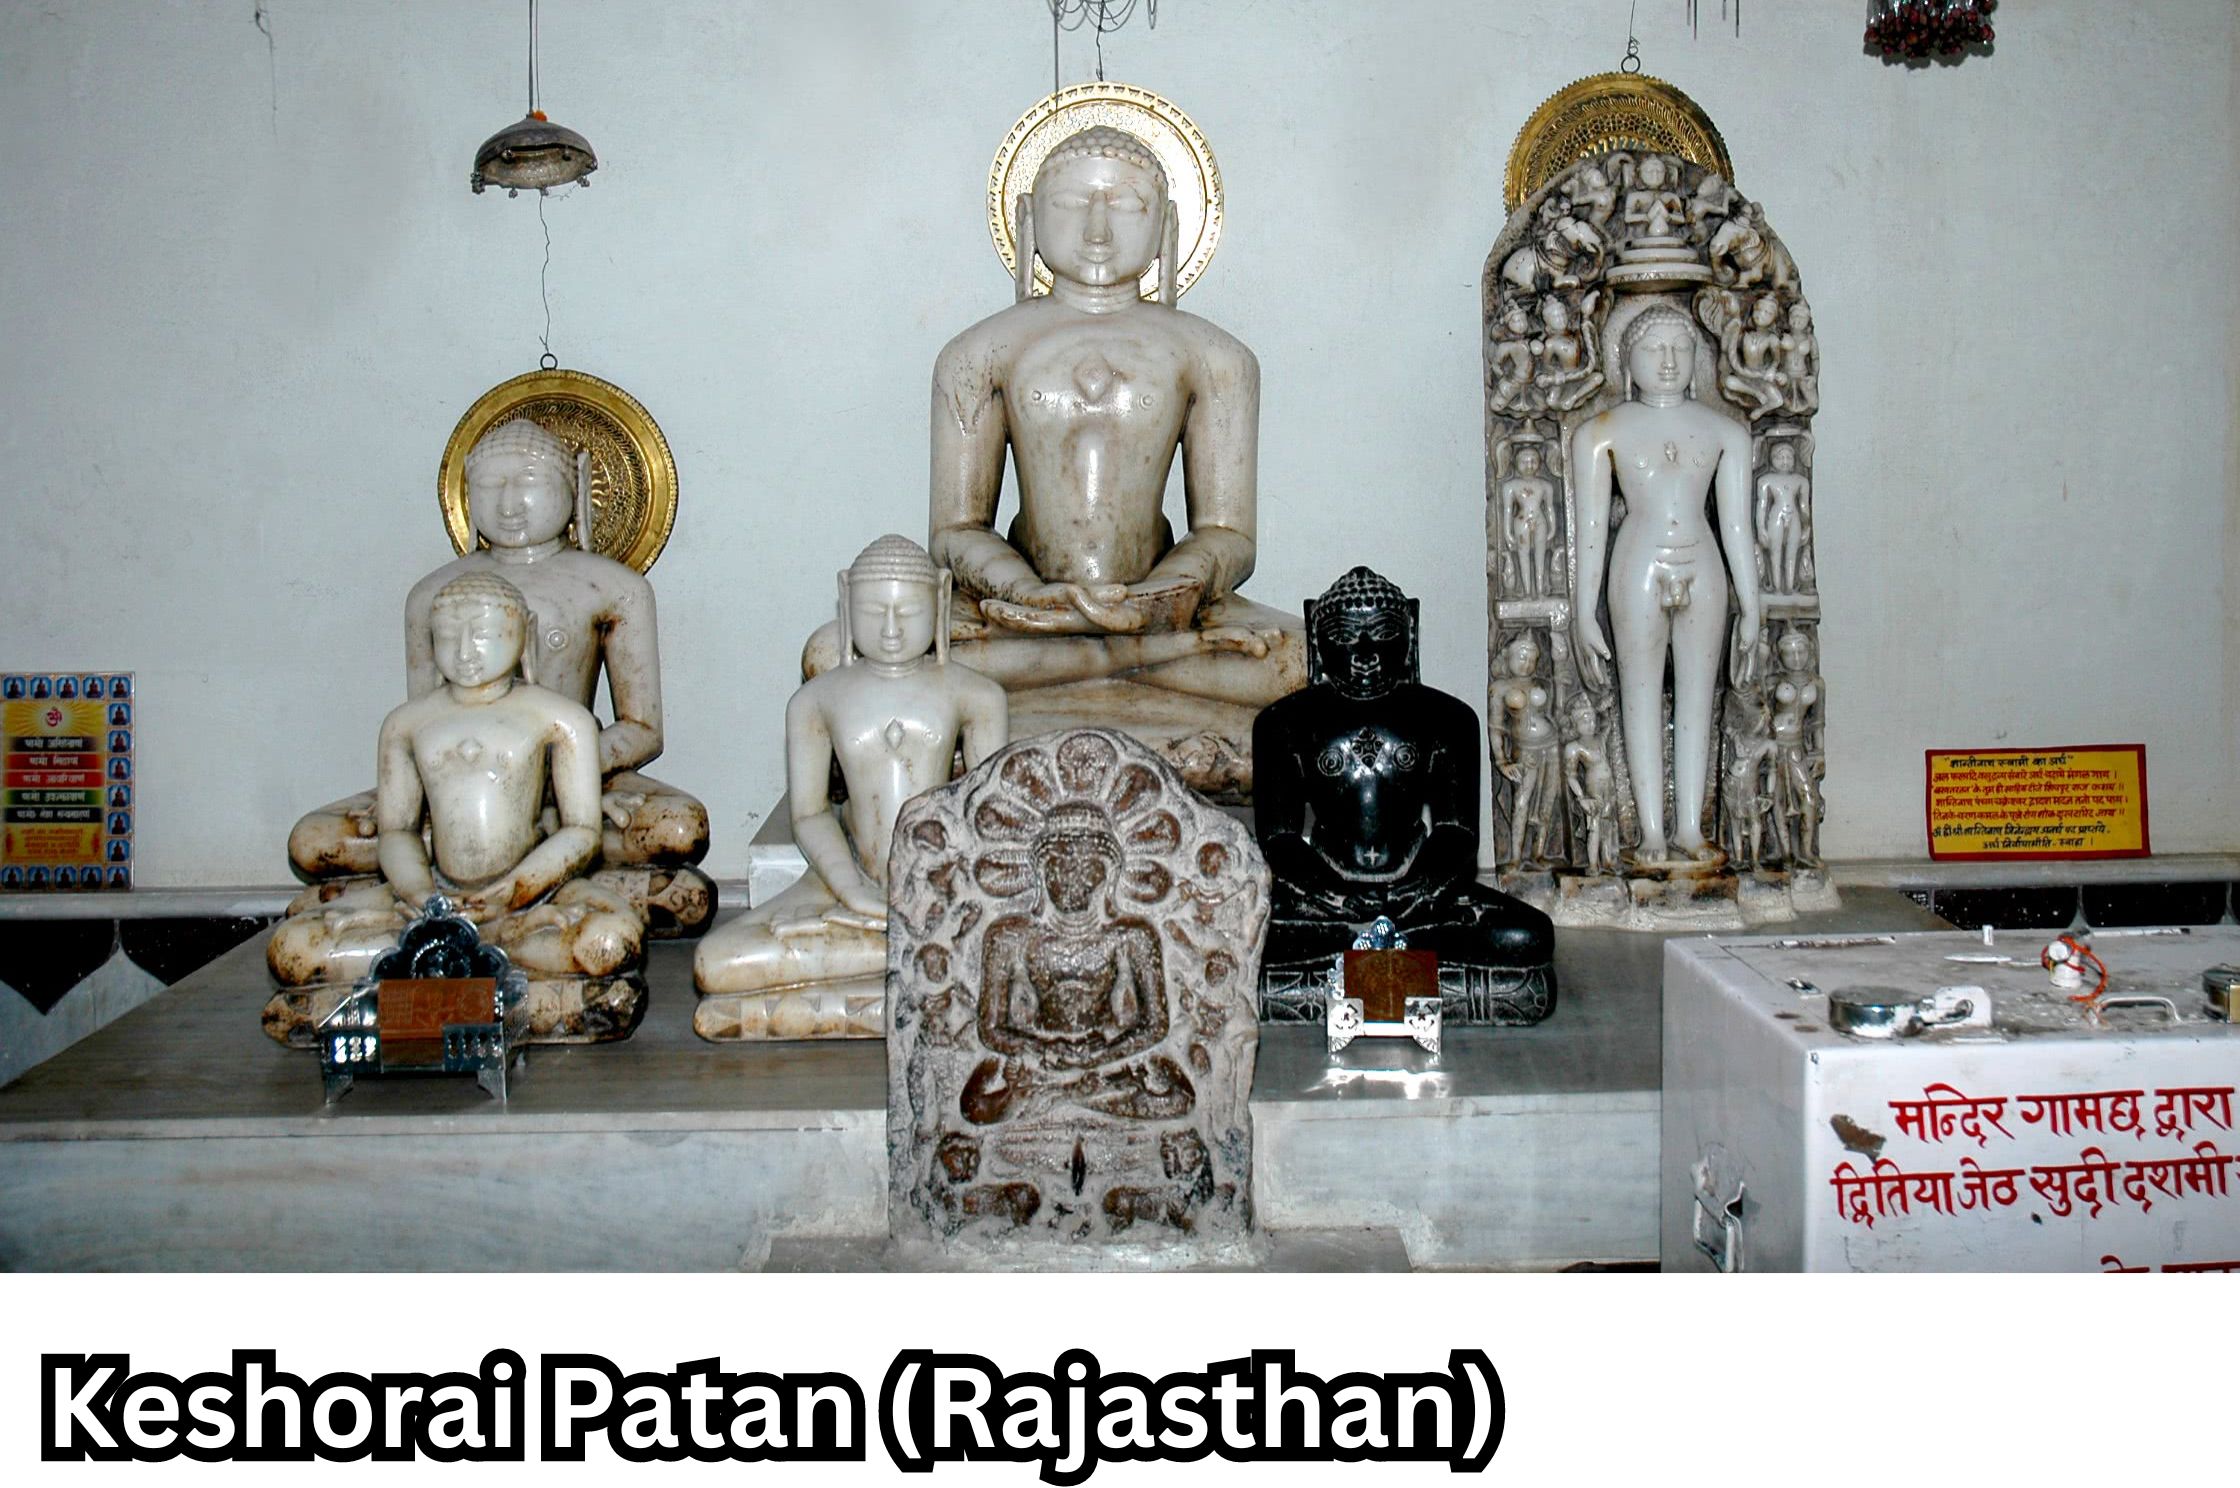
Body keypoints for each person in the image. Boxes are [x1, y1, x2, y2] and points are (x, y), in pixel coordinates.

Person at [805, 125, 1302, 795]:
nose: (1097, 230)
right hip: (1018, 617)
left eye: (1126, 205)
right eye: (1070, 204)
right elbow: (956, 529)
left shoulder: (1217, 358)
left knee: (1302, 660)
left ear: (1167, 225)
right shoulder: (976, 353)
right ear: (1028, 219)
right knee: (830, 654)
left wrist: (1161, 598)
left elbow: (1227, 533)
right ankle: (1142, 710)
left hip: (1163, 617)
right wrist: (1026, 594)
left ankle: (1006, 725)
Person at [288, 417, 711, 931]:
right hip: (461, 784)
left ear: (576, 487)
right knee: (313, 840)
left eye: (529, 482)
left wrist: (565, 777)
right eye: (489, 485)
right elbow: (423, 725)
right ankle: (591, 898)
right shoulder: (431, 595)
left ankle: (373, 906)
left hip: (584, 773)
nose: (509, 504)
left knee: (678, 827)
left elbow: (642, 727)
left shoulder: (614, 587)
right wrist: (411, 802)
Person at [266, 573, 643, 992]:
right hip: (431, 895)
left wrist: (514, 891)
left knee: (611, 940)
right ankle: (492, 964)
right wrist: (421, 895)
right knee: (293, 947)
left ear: (524, 633)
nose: (464, 652)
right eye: (447, 636)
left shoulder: (563, 719)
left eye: (483, 634)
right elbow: (397, 831)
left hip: (534, 895)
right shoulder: (405, 723)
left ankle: (451, 959)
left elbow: (582, 831)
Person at [694, 537, 1006, 1039]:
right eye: (872, 611)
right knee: (715, 961)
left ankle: (827, 1003)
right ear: (845, 599)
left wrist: (936, 893)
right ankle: (922, 988)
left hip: (946, 884)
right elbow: (810, 814)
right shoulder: (815, 701)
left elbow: (990, 816)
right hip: (842, 881)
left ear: (941, 600)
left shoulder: (978, 695)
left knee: (1010, 939)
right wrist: (854, 892)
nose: (890, 629)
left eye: (909, 611)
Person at [1253, 567, 1555, 1016]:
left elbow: (1456, 831)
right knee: (1239, 931)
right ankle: (1407, 965)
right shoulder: (1282, 723)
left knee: (1528, 935)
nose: (1365, 655)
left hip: (1419, 897)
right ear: (1318, 640)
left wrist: (1419, 890)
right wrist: (1335, 895)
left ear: (1409, 635)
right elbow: (1279, 837)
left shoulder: (1450, 719)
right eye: (1345, 637)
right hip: (1326, 901)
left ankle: (1348, 968)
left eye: (1382, 635)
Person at [1572, 303, 1761, 865]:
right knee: (1641, 693)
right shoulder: (1601, 434)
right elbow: (1589, 529)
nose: (1669, 361)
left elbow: (1737, 528)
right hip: (1638, 564)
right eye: (1654, 349)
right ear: (1626, 360)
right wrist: (1583, 611)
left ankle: (1690, 829)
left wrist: (1753, 606)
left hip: (1704, 564)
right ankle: (1651, 831)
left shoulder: (1725, 432)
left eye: (1681, 349)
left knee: (1699, 697)